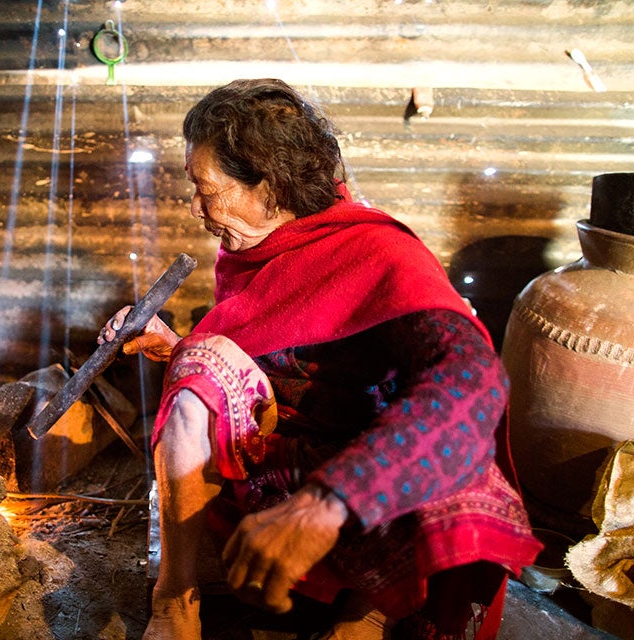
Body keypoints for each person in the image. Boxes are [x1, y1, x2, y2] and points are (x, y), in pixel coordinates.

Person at [98, 79, 541, 640]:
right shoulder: (255, 246)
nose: (195, 207)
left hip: (361, 486)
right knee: (201, 364)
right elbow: (263, 364)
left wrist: (328, 502)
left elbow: (473, 381)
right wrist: (176, 348)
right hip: (275, 465)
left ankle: (369, 611)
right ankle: (174, 602)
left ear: (269, 187)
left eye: (204, 189)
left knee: (453, 445)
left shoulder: (380, 254)